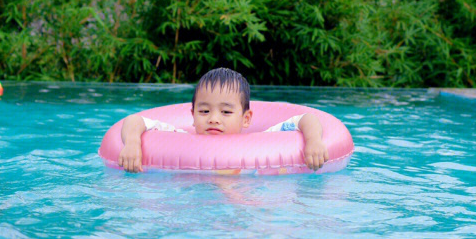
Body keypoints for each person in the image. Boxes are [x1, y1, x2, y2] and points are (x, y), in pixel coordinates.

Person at [118, 67, 328, 173]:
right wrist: (133, 144)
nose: (214, 119)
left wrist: (314, 142)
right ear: (192, 116)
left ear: (246, 119)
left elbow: (305, 119)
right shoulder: (180, 140)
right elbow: (136, 120)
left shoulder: (260, 143)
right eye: (204, 111)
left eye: (226, 113)